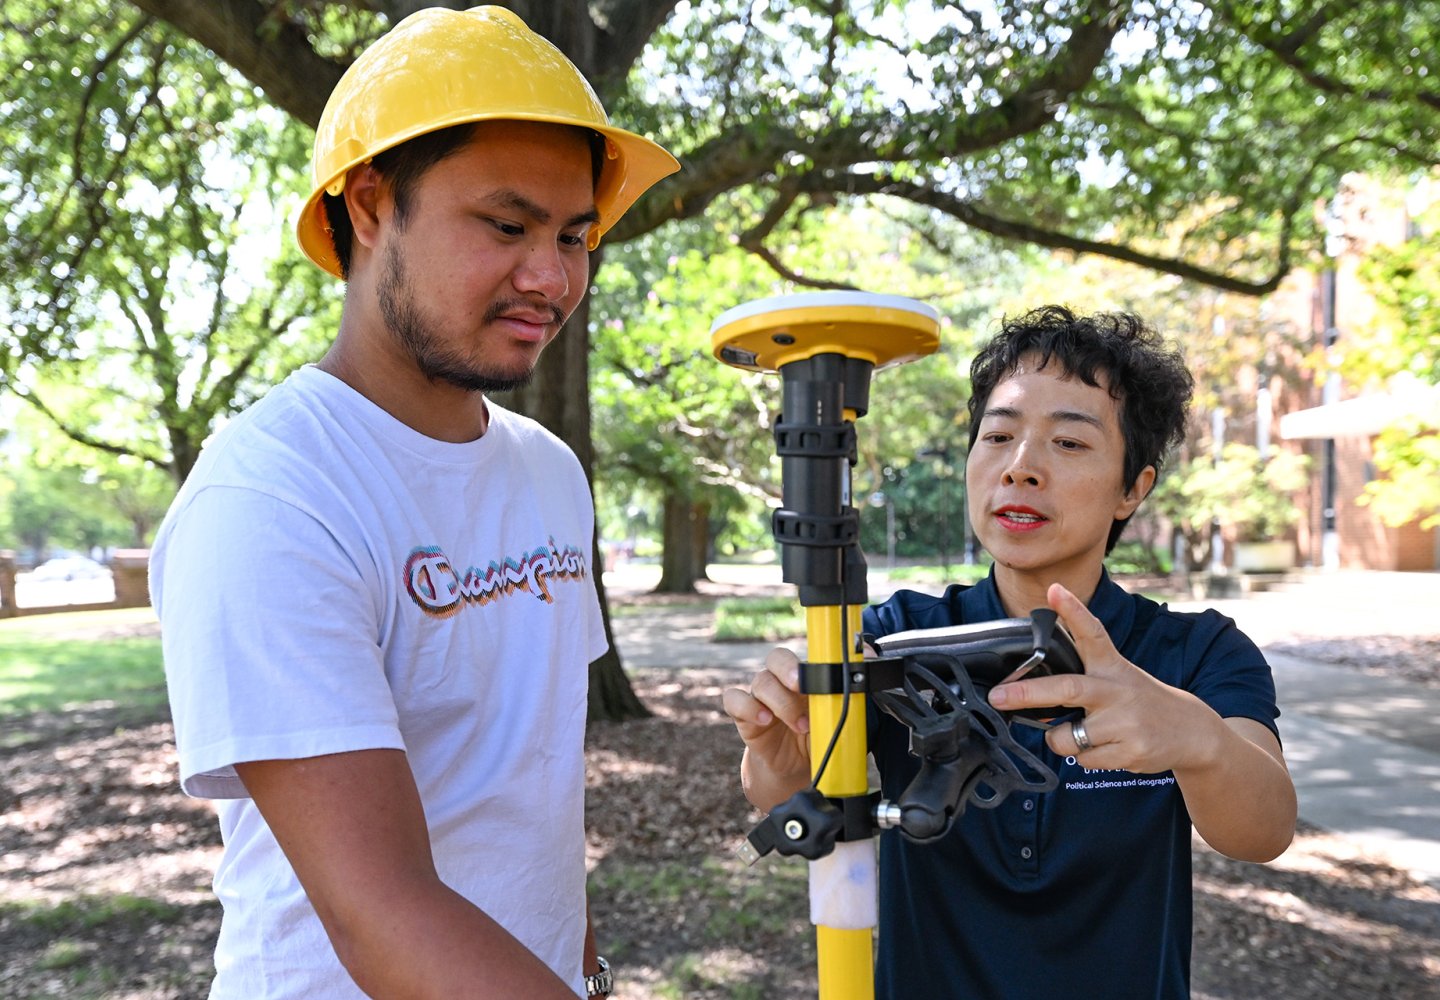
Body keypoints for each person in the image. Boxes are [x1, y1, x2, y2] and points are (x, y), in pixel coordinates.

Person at [149, 7, 678, 998]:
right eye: (508, 225)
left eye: (575, 234)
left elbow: (528, 796)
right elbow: (378, 906)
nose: (552, 277)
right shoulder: (271, 497)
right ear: (368, 204)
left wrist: (588, 968)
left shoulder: (550, 473)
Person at [723, 305, 1297, 999]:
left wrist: (1194, 737)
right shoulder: (899, 633)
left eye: (1070, 444)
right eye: (998, 435)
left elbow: (1263, 829)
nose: (1021, 468)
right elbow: (783, 788)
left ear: (1133, 488)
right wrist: (777, 755)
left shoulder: (1198, 650)